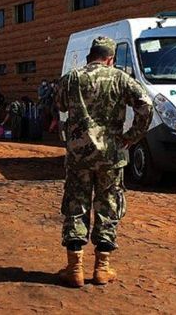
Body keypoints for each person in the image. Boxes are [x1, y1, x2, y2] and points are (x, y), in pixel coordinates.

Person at [55, 36, 153, 288]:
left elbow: (59, 103)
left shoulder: (73, 77)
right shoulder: (120, 78)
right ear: (110, 58)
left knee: (76, 204)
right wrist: (131, 136)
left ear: (91, 55)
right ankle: (102, 268)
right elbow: (146, 104)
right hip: (111, 155)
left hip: (79, 156)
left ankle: (74, 268)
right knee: (108, 206)